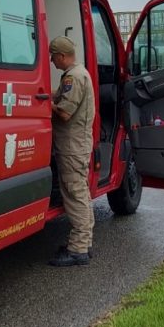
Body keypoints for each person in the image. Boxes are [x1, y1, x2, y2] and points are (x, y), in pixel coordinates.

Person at [48, 36, 96, 267]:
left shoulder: (73, 78)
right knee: (82, 193)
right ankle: (84, 243)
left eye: (53, 56)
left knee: (75, 194)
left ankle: (77, 249)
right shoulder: (79, 74)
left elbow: (65, 113)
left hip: (71, 147)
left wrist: (46, 104)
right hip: (78, 145)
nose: (51, 60)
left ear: (62, 56)